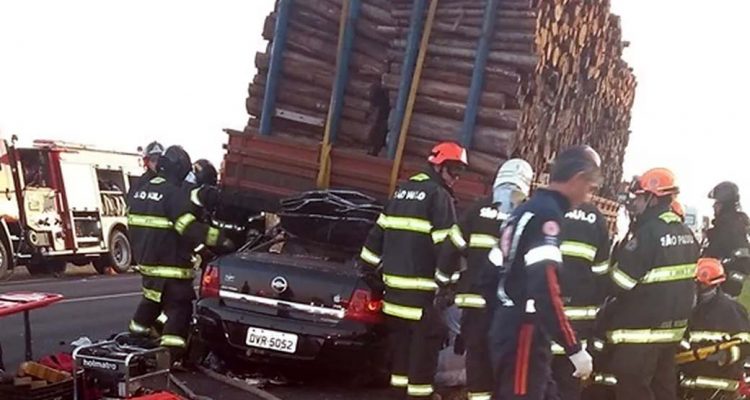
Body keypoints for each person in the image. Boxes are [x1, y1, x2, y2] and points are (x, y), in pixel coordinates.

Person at [488, 146, 601, 400]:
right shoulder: (548, 216)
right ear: (578, 178)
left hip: (510, 326)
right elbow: (545, 286)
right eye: (590, 187)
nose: (588, 196)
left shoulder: (524, 211)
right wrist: (573, 347)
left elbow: (491, 271)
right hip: (525, 331)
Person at [359, 141, 468, 399]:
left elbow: (376, 237)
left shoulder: (401, 192)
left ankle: (399, 396)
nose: (456, 178)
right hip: (423, 301)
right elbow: (447, 248)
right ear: (438, 166)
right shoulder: (438, 197)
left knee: (400, 359)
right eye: (454, 170)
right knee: (423, 358)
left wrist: (369, 271)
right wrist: (449, 284)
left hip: (394, 299)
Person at [434, 158, 534, 400]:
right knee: (504, 368)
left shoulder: (477, 210)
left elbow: (451, 248)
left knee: (478, 365)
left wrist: (444, 282)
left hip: (475, 307)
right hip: (508, 310)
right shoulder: (530, 216)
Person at [127, 145, 231, 365]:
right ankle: (169, 358)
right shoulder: (173, 193)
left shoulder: (139, 190)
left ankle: (133, 341)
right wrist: (221, 240)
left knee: (152, 302)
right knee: (179, 309)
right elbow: (187, 227)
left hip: (147, 265)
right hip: (170, 267)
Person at [600, 167, 699, 400]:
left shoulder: (648, 234)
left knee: (633, 389)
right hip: (671, 332)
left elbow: (621, 283)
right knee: (663, 390)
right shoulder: (686, 232)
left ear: (653, 198)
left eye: (640, 197)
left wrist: (603, 276)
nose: (635, 203)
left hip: (641, 333)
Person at [551, 202, 611, 400]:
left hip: (541, 322)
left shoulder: (544, 209)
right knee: (568, 384)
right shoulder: (595, 218)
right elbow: (601, 273)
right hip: (577, 326)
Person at [680, 257, 750, 399]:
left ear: (705, 285)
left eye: (695, 283)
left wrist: (724, 356)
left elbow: (745, 343)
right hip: (687, 385)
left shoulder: (731, 311)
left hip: (720, 387)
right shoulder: (684, 310)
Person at [703, 181, 750, 296]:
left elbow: (741, 260)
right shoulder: (732, 224)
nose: (713, 206)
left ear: (725, 205)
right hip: (724, 282)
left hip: (728, 286)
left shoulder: (729, 227)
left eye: (717, 203)